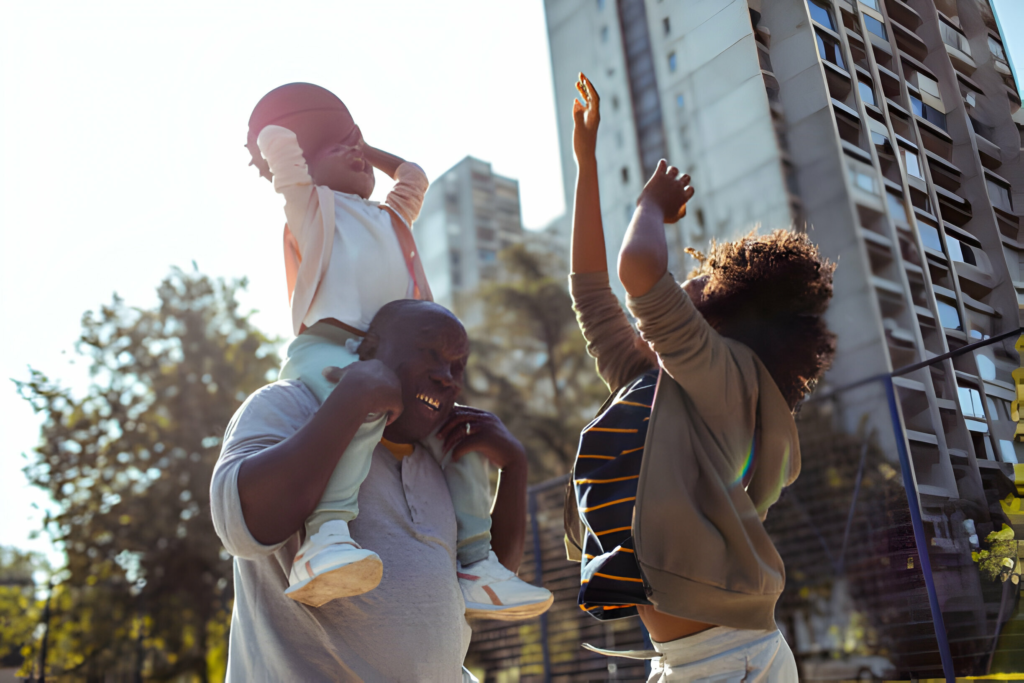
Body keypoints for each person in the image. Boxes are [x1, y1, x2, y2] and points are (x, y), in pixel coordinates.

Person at [563, 73, 837, 681]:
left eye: (698, 286)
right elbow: (590, 292)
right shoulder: (653, 384)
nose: (685, 282)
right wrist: (587, 164)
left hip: (729, 661)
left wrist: (650, 208)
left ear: (722, 319)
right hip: (691, 662)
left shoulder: (725, 378)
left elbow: (638, 270)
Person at [243, 83, 551, 618]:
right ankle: (325, 539)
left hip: (400, 357)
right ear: (309, 169)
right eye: (340, 152)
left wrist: (359, 146)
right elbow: (278, 144)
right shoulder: (312, 207)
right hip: (329, 347)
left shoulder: (391, 218)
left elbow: (414, 176)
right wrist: (291, 136)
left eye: (359, 154)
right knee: (366, 398)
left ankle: (477, 563)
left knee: (462, 438)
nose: (357, 159)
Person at [210, 299, 535, 681]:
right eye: (429, 352)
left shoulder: (445, 459)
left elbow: (484, 577)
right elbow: (242, 528)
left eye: (457, 365)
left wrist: (514, 467)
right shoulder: (289, 404)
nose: (446, 376)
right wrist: (353, 399)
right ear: (369, 350)